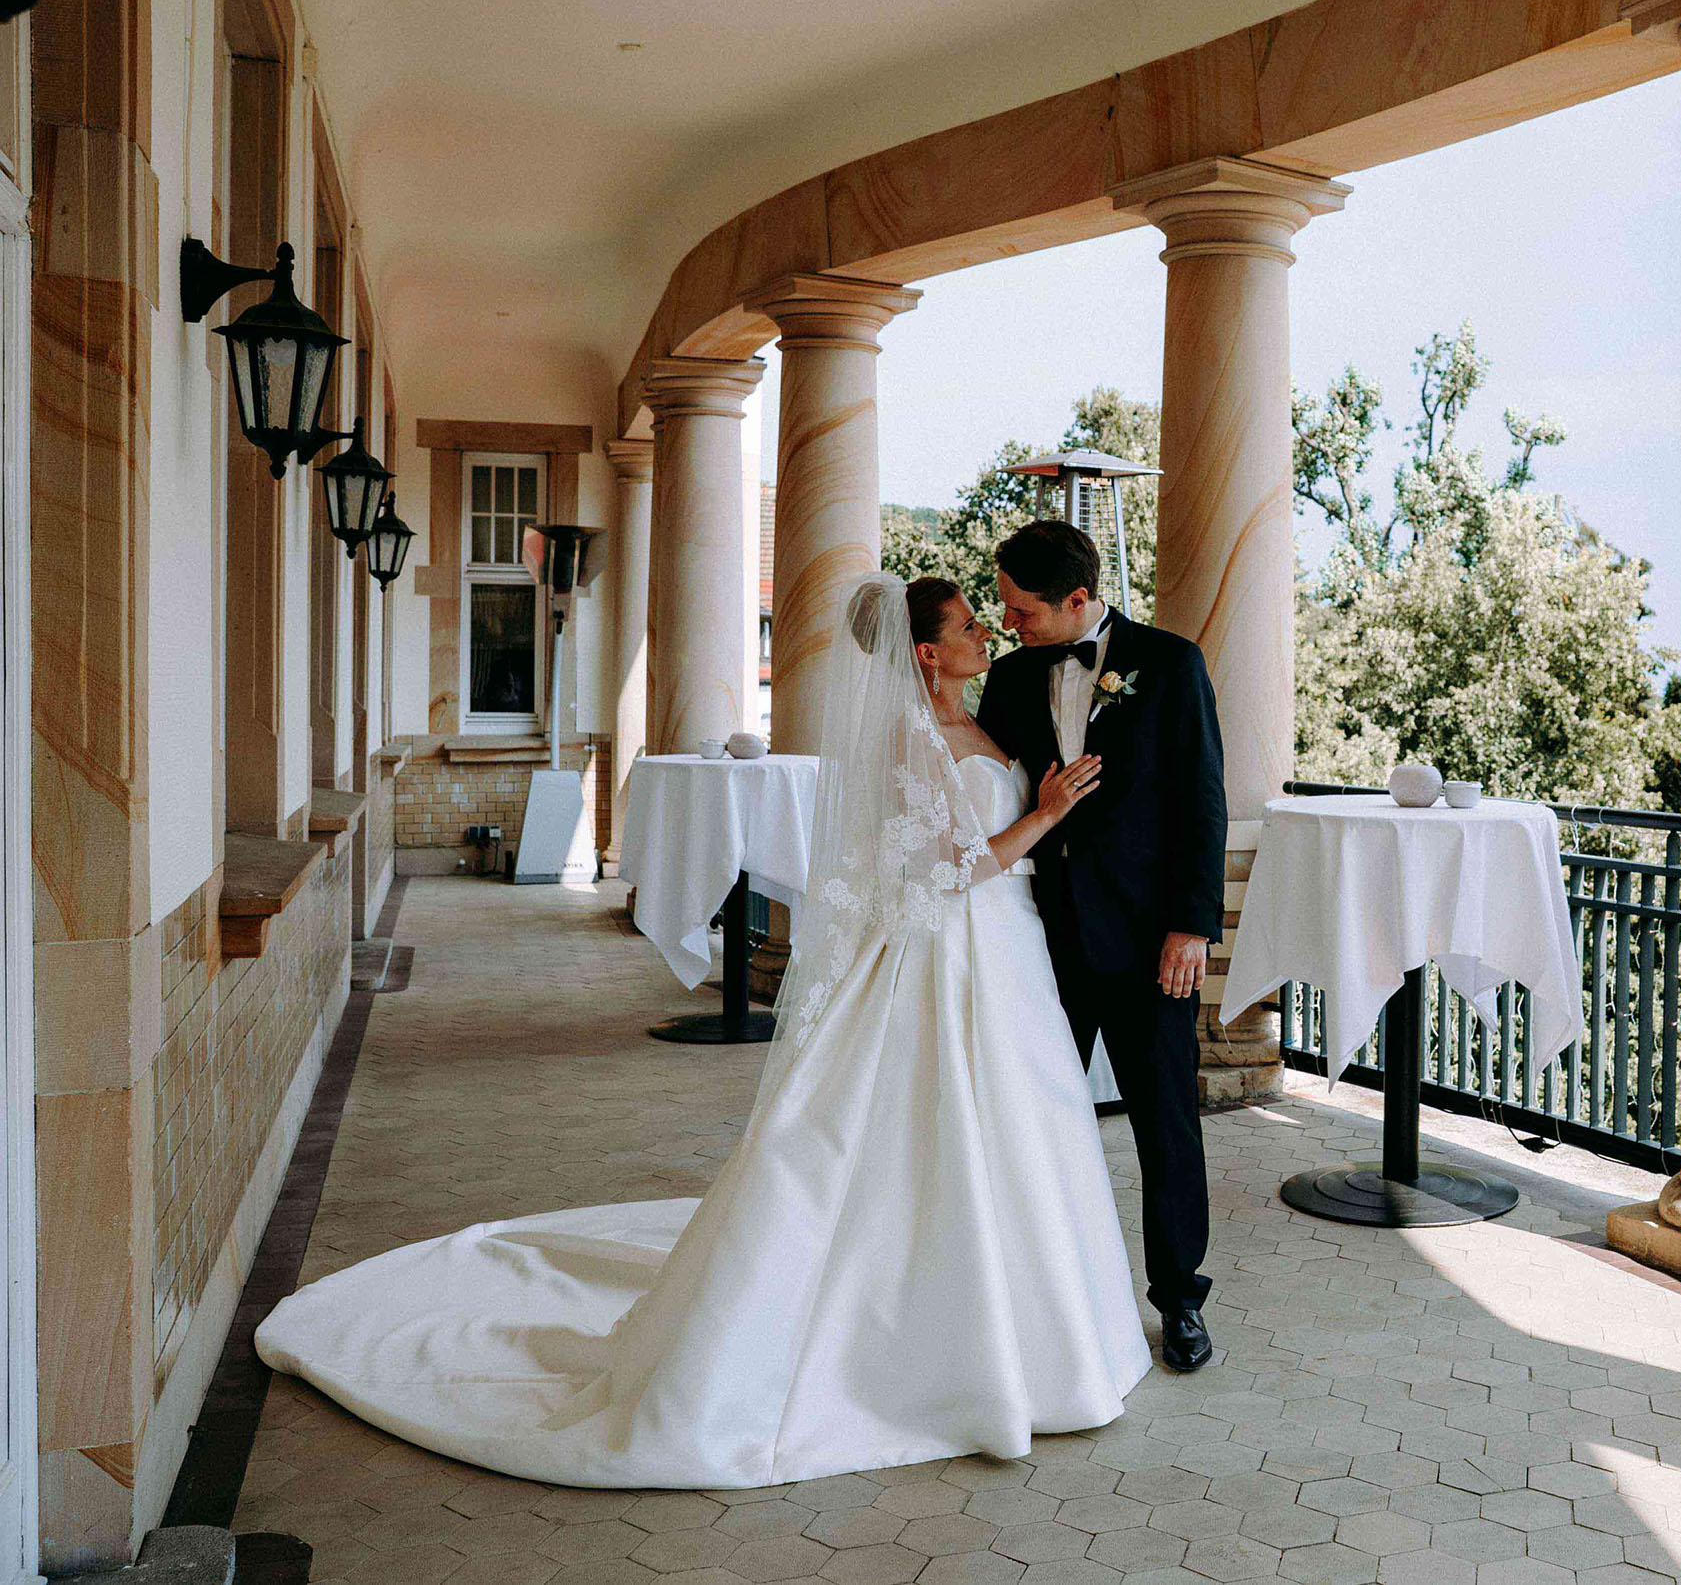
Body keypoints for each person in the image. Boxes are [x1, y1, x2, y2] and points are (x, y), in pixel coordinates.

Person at [253, 574, 1150, 1487]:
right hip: (945, 958)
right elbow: (947, 871)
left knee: (1020, 1139)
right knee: (926, 1139)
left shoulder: (984, 718)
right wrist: (1045, 812)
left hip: (1006, 959)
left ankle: (1040, 1333)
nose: (985, 634)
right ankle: (931, 1345)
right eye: (966, 626)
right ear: (925, 653)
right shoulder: (906, 738)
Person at [975, 520, 1225, 1373]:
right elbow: (980, 797)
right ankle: (1027, 1293)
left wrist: (1191, 927)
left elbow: (1203, 801)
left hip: (1153, 939)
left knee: (1165, 1122)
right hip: (1039, 939)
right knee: (1034, 1115)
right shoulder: (1008, 677)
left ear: (1077, 599)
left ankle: (1181, 1301)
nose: (1007, 622)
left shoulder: (1173, 662)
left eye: (1021, 609)